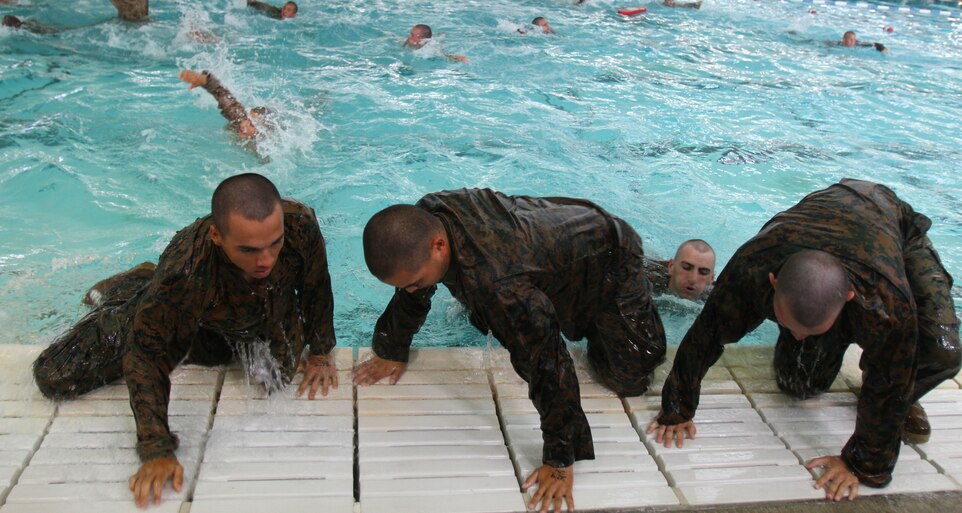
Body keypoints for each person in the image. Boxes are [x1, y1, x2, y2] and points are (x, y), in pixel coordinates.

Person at [33, 173, 337, 509]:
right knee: (56, 375)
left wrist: (322, 351)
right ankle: (138, 285)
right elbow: (146, 356)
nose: (266, 259)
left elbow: (316, 285)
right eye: (249, 250)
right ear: (217, 236)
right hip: (192, 309)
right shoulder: (186, 269)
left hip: (258, 310)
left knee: (274, 377)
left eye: (274, 244)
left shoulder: (299, 225)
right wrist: (156, 447)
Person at [353, 190, 667, 513]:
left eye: (416, 283)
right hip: (553, 232)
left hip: (610, 254)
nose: (412, 291)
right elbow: (413, 287)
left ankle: (660, 277)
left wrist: (559, 461)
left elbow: (549, 362)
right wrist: (392, 347)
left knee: (629, 375)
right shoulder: (429, 216)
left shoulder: (499, 286)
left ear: (438, 245)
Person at [647, 179, 960, 500]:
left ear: (850, 299)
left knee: (942, 352)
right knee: (799, 383)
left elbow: (893, 379)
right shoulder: (751, 270)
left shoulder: (884, 302)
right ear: (772, 283)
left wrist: (862, 463)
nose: (798, 338)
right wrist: (677, 408)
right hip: (811, 227)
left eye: (811, 332)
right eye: (790, 325)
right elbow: (706, 334)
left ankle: (887, 380)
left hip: (894, 229)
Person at [180, 69, 271, 139]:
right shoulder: (239, 120)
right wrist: (205, 80)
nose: (244, 125)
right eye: (248, 119)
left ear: (261, 130)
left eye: (251, 124)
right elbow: (225, 97)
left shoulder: (265, 144)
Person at [645, 239, 716, 300]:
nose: (693, 279)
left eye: (703, 272)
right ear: (671, 267)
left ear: (711, 278)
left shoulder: (714, 298)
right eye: (686, 268)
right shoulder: (646, 281)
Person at [402, 24, 468, 62]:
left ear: (419, 38)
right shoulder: (410, 40)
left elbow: (444, 56)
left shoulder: (430, 48)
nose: (409, 36)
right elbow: (403, 47)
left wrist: (459, 58)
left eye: (412, 34)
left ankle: (442, 35)